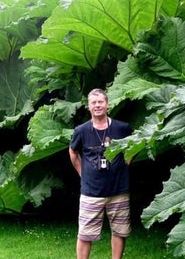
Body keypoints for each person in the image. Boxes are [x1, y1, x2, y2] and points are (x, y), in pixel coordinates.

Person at [69, 88, 133, 259]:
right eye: (93, 103)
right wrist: (84, 174)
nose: (97, 105)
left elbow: (133, 146)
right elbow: (73, 153)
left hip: (118, 190)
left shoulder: (122, 128)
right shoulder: (81, 131)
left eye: (100, 102)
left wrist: (126, 162)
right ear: (89, 107)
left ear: (107, 104)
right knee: (84, 233)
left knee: (119, 231)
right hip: (91, 192)